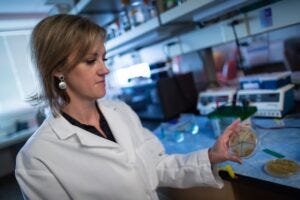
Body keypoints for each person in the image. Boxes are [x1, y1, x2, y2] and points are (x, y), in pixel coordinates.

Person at [15, 14, 242, 200]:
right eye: (91, 61)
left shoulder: (120, 111)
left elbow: (155, 167)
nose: (105, 69)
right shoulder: (37, 157)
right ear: (57, 70)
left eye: (104, 58)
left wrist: (211, 156)